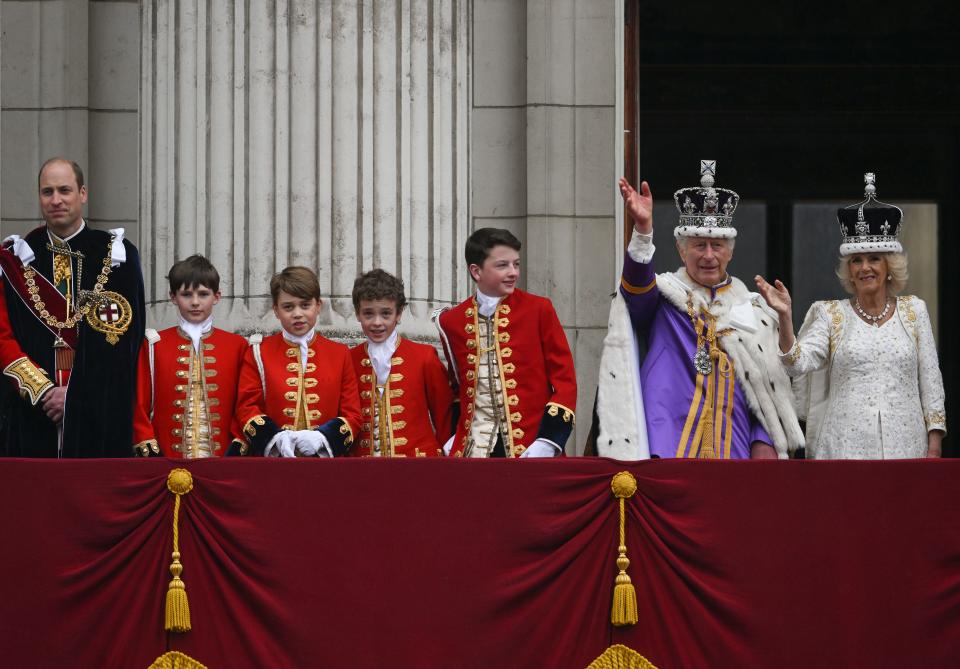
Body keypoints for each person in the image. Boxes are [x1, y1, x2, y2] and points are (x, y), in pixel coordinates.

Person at [598, 161, 803, 459]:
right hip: (666, 440)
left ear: (730, 252)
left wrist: (764, 442)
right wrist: (643, 232)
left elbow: (768, 386)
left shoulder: (753, 309)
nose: (708, 255)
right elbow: (636, 291)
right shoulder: (664, 297)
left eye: (717, 245)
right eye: (699, 245)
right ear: (682, 250)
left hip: (734, 444)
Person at [756, 172, 946, 458]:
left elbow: (931, 381)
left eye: (874, 258)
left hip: (906, 448)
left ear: (889, 266)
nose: (864, 267)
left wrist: (934, 443)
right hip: (843, 449)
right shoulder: (830, 314)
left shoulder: (913, 311)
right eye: (856, 260)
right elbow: (797, 363)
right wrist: (785, 316)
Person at [0, 157, 145, 457]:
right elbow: (3, 338)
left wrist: (75, 396)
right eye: (47, 192)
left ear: (82, 193)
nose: (56, 200)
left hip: (98, 412)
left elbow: (123, 343)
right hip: (33, 413)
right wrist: (43, 391)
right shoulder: (15, 258)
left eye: (64, 190)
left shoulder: (118, 256)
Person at [434, 228, 577, 458]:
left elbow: (565, 382)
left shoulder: (539, 310)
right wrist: (454, 436)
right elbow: (458, 389)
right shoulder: (451, 321)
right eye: (502, 265)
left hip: (531, 447)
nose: (513, 273)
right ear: (476, 271)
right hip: (472, 452)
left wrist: (549, 440)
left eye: (516, 264)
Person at [229, 266, 361, 457]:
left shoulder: (340, 354)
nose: (297, 314)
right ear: (276, 310)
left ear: (318, 306)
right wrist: (275, 438)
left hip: (325, 467)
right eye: (288, 307)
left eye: (305, 305)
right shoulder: (258, 352)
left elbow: (353, 414)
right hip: (274, 465)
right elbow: (246, 407)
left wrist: (322, 438)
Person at [131, 255, 247, 457]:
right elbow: (139, 405)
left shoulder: (238, 345)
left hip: (224, 461)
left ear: (217, 297)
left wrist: (237, 446)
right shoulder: (153, 345)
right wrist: (149, 450)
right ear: (173, 297)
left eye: (203, 294)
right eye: (186, 294)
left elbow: (243, 405)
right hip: (166, 459)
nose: (195, 302)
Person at [349, 269, 454, 457]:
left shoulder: (424, 356)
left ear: (399, 313)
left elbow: (443, 415)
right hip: (361, 471)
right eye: (368, 314)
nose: (377, 322)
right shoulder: (348, 359)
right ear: (357, 314)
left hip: (417, 467)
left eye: (386, 313)